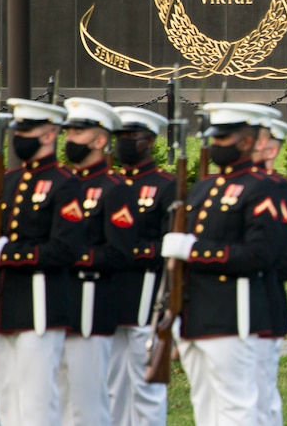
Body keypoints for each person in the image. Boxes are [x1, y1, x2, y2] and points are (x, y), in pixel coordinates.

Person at [161, 102, 282, 425]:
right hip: (194, 314)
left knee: (236, 409)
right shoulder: (203, 189)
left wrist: (195, 251)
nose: (215, 145)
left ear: (246, 141)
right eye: (214, 138)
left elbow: (260, 255)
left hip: (233, 316)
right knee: (205, 407)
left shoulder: (261, 189)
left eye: (224, 139)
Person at [0, 99, 84, 426]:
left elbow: (65, 249)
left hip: (40, 304)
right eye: (18, 130)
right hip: (6, 304)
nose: (20, 136)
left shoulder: (65, 183)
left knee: (36, 401)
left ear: (50, 134)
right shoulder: (9, 180)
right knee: (6, 398)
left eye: (27, 129)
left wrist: (6, 253)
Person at [59, 97, 139, 426]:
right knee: (59, 399)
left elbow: (120, 252)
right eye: (68, 131)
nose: (70, 139)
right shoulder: (63, 184)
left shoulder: (114, 189)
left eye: (79, 131)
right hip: (55, 301)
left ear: (100, 139)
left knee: (88, 402)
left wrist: (67, 255)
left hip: (91, 305)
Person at [108, 106, 175, 426]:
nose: (122, 143)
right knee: (113, 386)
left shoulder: (165, 185)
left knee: (146, 386)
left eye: (129, 137)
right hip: (110, 292)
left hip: (146, 294)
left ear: (148, 141)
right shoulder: (109, 183)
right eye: (118, 136)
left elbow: (168, 246)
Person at [253, 111, 287, 426]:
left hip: (263, 306)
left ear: (271, 149)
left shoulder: (281, 193)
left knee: (260, 401)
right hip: (216, 312)